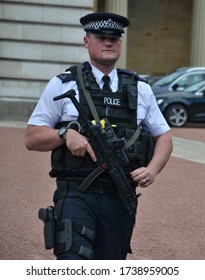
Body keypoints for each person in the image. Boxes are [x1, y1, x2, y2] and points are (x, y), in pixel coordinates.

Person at [24, 12, 173, 260]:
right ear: (86, 41)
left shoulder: (140, 89)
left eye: (114, 38)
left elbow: (164, 137)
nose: (108, 43)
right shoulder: (63, 85)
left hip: (119, 197)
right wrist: (64, 134)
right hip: (76, 195)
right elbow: (31, 137)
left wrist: (153, 170)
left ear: (120, 44)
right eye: (101, 37)